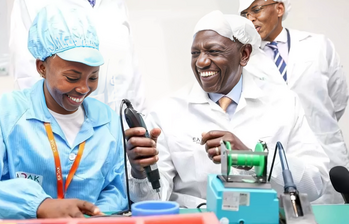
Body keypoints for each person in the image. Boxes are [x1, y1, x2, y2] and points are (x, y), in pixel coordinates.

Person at [125, 11, 330, 208]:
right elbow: (152, 201)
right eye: (195, 53)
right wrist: (140, 174)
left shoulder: (284, 103)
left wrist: (255, 160)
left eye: (214, 52)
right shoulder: (167, 112)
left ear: (244, 54)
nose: (202, 62)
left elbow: (315, 184)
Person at [0, 4, 127, 220]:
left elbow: (117, 190)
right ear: (42, 67)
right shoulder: (4, 113)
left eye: (93, 77)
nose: (83, 88)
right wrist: (37, 205)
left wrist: (95, 215)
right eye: (71, 77)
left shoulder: (108, 122)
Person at [239, 0, 349, 204]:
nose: (250, 18)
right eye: (244, 14)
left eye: (255, 10)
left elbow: (339, 98)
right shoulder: (245, 57)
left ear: (279, 9)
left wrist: (314, 120)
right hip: (281, 162)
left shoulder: (318, 45)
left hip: (325, 149)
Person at [9, 0, 146, 114]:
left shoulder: (116, 4)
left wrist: (142, 121)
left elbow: (131, 69)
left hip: (123, 132)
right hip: (66, 134)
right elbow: (27, 75)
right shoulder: (31, 3)